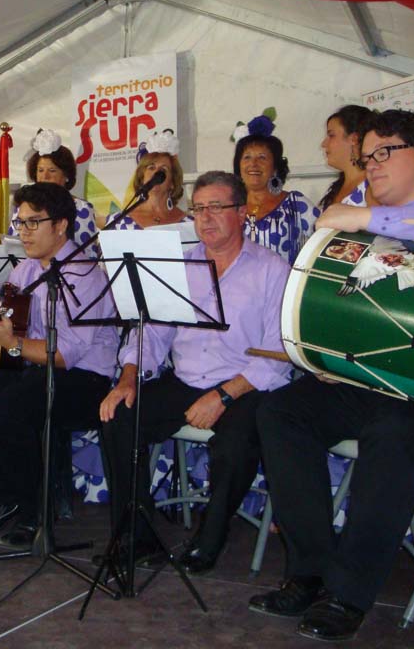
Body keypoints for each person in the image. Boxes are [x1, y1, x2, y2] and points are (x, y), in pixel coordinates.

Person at [250, 109, 414, 641]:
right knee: (280, 412)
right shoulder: (363, 214)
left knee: (392, 432)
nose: (372, 165)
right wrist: (328, 357)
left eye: (384, 152)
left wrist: (366, 218)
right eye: (366, 157)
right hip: (369, 383)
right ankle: (310, 570)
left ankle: (348, 594)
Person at [98, 171, 291, 571]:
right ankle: (136, 537)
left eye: (216, 207)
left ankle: (209, 540)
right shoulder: (181, 266)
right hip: (185, 379)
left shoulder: (271, 269)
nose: (205, 218)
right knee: (119, 417)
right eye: (199, 209)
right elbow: (151, 333)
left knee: (236, 443)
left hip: (245, 384)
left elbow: (278, 352)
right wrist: (128, 378)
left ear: (242, 212)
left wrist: (223, 396)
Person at [0, 183, 120, 546]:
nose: (24, 232)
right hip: (35, 371)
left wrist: (11, 344)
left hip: (83, 380)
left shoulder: (85, 275)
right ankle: (4, 499)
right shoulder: (26, 271)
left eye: (34, 222)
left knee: (5, 409)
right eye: (20, 223)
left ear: (61, 225)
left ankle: (34, 513)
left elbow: (64, 355)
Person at [233, 116, 319, 264]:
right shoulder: (229, 207)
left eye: (262, 157)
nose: (253, 163)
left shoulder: (295, 204)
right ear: (238, 166)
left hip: (284, 279)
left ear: (275, 168)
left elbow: (325, 240)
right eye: (247, 157)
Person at [8, 129, 99, 258]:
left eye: (52, 170)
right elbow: (12, 249)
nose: (45, 176)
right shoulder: (23, 207)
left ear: (66, 175)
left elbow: (89, 255)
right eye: (40, 170)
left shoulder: (82, 209)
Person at [109, 129, 189, 230]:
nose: (156, 173)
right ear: (142, 177)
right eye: (151, 167)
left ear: (172, 182)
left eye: (163, 170)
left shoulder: (189, 223)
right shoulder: (118, 222)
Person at [319, 105, 373, 210]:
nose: (324, 144)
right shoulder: (336, 188)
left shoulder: (374, 186)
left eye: (331, 135)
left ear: (354, 139)